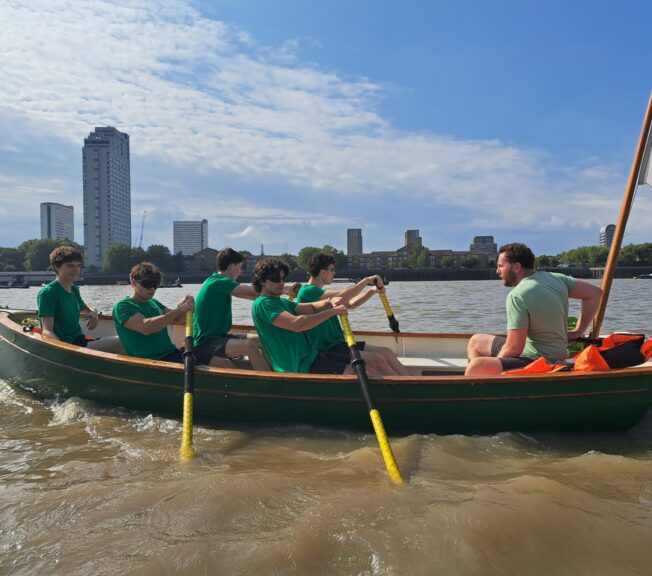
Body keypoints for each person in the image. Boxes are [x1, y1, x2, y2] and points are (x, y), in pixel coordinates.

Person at [465, 243, 603, 376]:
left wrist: (498, 362)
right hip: (559, 355)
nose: (497, 271)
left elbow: (514, 349)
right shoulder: (556, 279)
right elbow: (595, 293)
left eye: (501, 266)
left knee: (476, 366)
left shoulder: (517, 295)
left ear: (516, 267)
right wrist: (579, 331)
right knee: (476, 341)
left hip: (537, 360)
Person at [251, 257, 395, 376]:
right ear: (262, 281)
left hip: (312, 356)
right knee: (359, 373)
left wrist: (330, 302)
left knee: (365, 370)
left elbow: (312, 307)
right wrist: (333, 311)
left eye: (283, 279)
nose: (281, 283)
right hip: (298, 365)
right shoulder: (264, 304)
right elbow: (297, 324)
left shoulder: (281, 302)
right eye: (276, 279)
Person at [296, 252, 410, 376]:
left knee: (387, 352)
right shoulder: (307, 292)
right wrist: (367, 281)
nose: (334, 273)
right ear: (322, 272)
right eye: (332, 270)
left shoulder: (320, 292)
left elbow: (351, 304)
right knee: (378, 359)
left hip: (338, 343)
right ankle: (402, 389)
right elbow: (343, 295)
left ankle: (411, 382)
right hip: (327, 347)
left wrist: (372, 291)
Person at [193, 248, 299, 369]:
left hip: (219, 337)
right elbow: (250, 293)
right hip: (204, 343)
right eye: (240, 267)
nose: (241, 272)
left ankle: (276, 370)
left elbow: (258, 295)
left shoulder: (218, 282)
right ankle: (269, 382)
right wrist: (285, 290)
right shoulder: (217, 282)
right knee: (248, 346)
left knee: (265, 340)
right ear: (232, 266)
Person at [113, 262, 194, 363]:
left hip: (172, 353)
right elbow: (146, 328)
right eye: (147, 284)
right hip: (153, 361)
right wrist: (180, 310)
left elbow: (178, 320)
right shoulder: (123, 307)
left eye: (155, 284)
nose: (152, 288)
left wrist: (185, 306)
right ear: (133, 282)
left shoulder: (154, 303)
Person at [37, 246, 101, 348]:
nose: (76, 270)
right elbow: (47, 331)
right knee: (119, 342)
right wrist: (65, 351)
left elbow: (83, 308)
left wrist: (93, 313)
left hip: (80, 341)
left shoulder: (74, 289)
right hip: (69, 346)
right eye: (70, 266)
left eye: (79, 266)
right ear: (56, 267)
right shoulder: (48, 293)